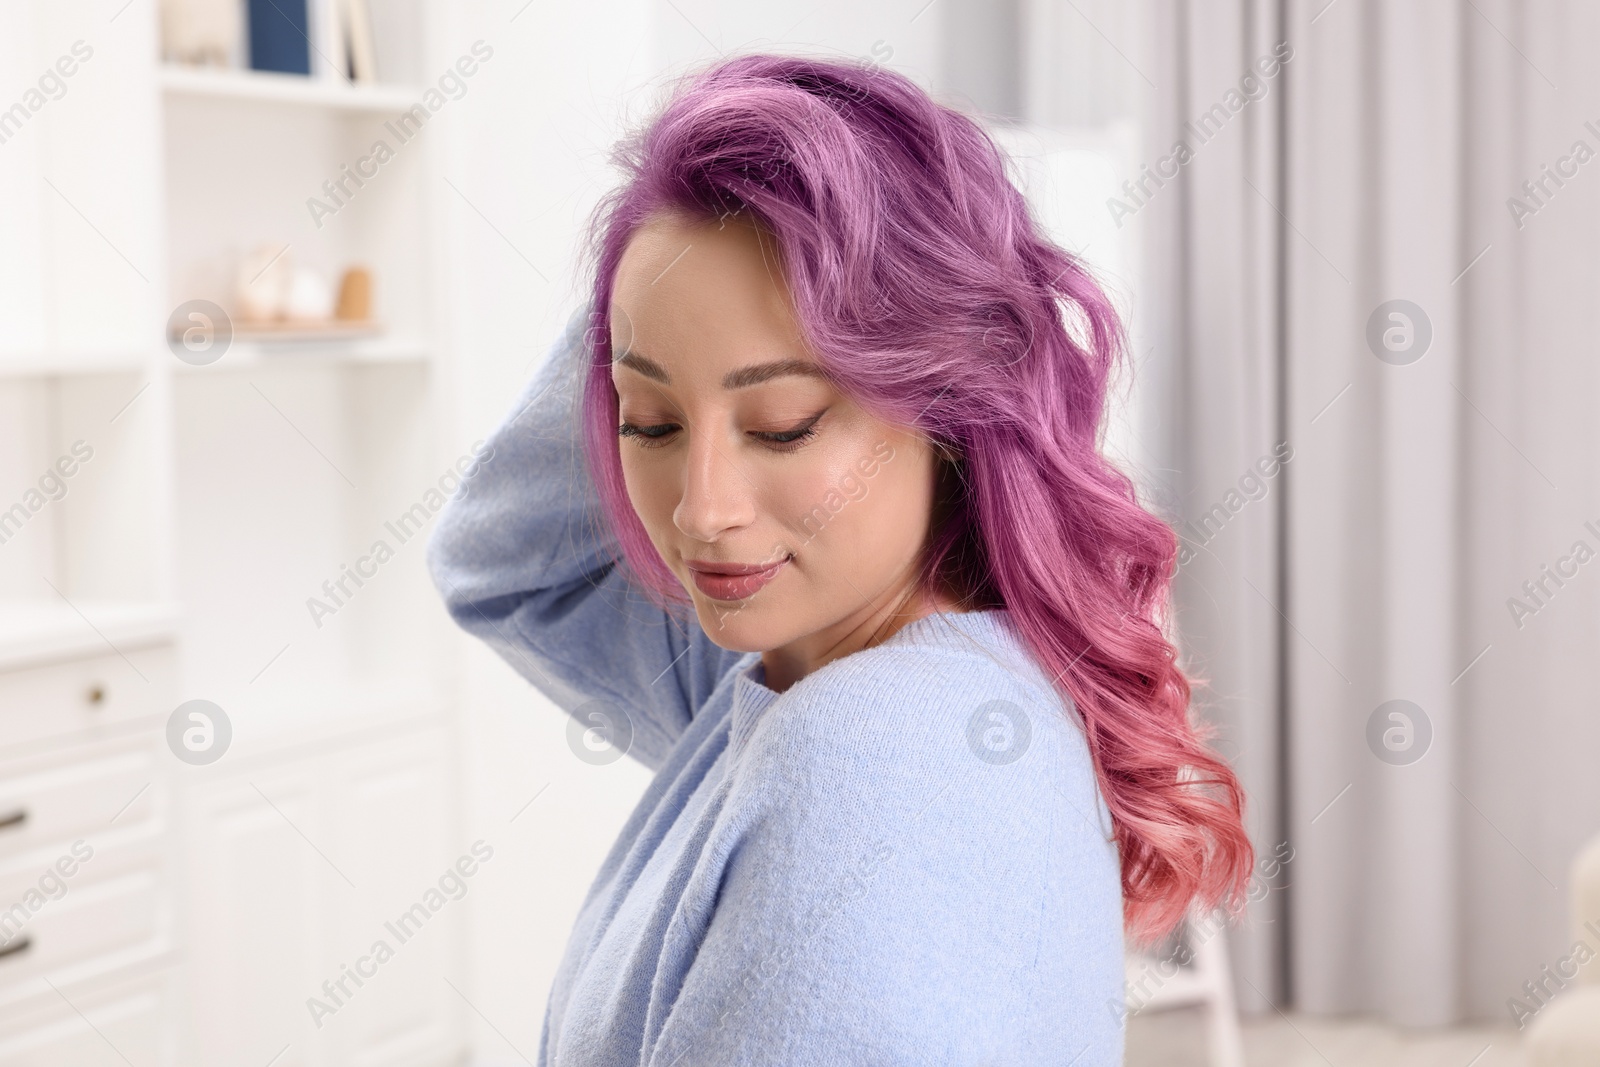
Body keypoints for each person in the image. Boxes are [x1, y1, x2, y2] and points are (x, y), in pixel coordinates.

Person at [426, 52, 1253, 1067]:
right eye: (648, 419)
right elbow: (503, 564)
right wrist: (672, 238)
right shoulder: (810, 661)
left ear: (948, 408)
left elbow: (499, 563)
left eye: (782, 423)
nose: (701, 509)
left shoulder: (863, 754)